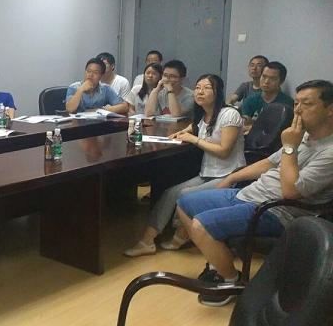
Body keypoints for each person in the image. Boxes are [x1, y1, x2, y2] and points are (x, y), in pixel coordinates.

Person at [176, 80, 333, 306]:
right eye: (296, 103)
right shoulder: (304, 136)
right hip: (251, 193)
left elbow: (291, 192)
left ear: (330, 109)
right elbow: (269, 163)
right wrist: (231, 178)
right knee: (184, 202)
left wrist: (290, 146)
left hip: (277, 211)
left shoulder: (327, 150)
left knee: (201, 225)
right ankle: (218, 262)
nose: (297, 110)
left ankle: (231, 281)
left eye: (306, 104)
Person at [124, 74, 245, 257]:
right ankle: (147, 241)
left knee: (184, 194)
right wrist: (180, 134)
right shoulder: (203, 115)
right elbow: (193, 129)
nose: (200, 92)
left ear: (218, 92)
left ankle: (181, 235)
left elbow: (224, 151)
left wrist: (194, 139)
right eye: (198, 87)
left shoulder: (229, 114)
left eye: (207, 88)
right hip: (207, 173)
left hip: (229, 174)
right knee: (170, 192)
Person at [240, 61, 295, 134]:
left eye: (272, 78)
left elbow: (282, 128)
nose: (266, 81)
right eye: (264, 76)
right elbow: (244, 125)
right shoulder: (250, 100)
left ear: (281, 81)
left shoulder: (287, 103)